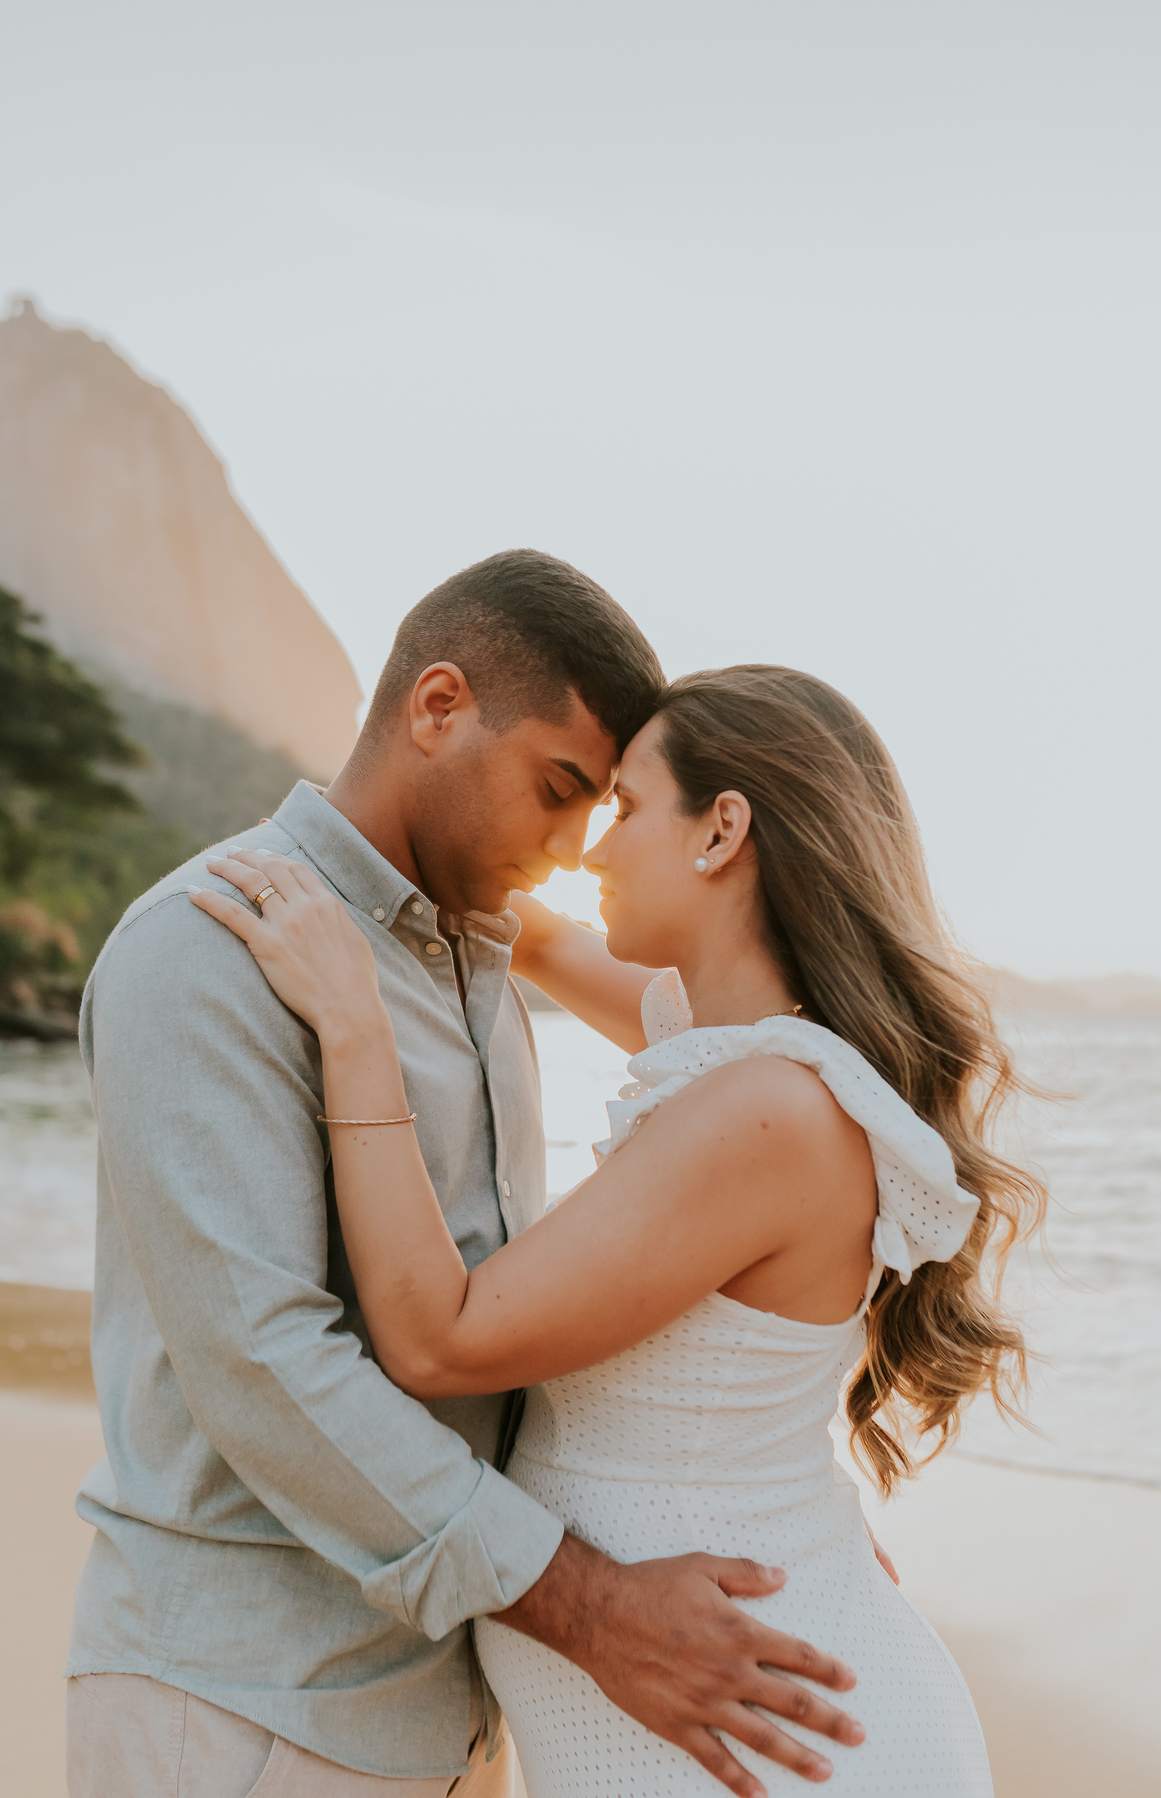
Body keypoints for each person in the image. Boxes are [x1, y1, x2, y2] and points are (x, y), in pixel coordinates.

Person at [66, 553, 866, 1798]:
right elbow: (267, 1367)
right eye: (557, 789)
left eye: (597, 811)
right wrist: (592, 1609)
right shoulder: (207, 948)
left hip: (456, 1718)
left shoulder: (481, 965)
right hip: (245, 1709)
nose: (563, 849)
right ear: (437, 707)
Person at [194, 662, 1045, 1797]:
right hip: (732, 1708)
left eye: (628, 808)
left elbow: (439, 1336)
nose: (591, 847)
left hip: (766, 1743)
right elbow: (535, 935)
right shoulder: (730, 1052)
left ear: (722, 829)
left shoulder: (769, 1110)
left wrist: (356, 1024)